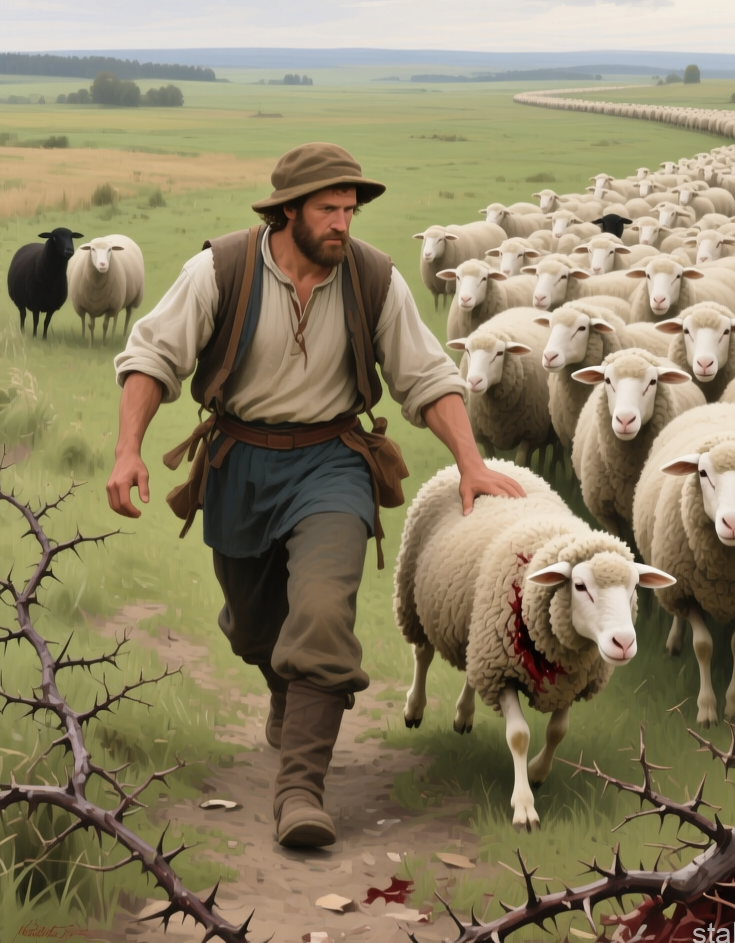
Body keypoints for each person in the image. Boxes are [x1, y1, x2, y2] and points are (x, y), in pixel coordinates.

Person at [107, 142, 524, 848]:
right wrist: (127, 451)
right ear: (288, 211)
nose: (342, 224)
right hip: (240, 462)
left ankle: (301, 790)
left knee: (324, 613)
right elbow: (152, 357)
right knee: (252, 626)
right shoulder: (221, 270)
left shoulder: (374, 279)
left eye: (349, 211)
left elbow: (427, 376)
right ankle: (281, 684)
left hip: (332, 463)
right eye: (328, 210)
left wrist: (471, 464)